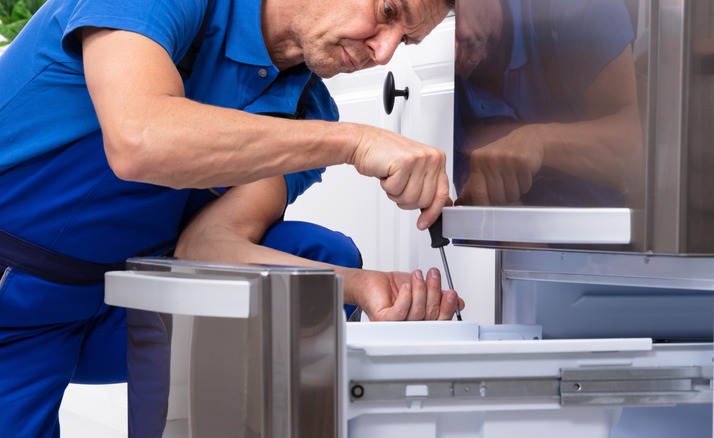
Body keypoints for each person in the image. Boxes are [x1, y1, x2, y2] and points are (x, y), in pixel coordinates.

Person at [0, 0, 460, 435]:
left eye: (404, 41)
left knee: (318, 274)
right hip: (13, 305)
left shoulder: (305, 110)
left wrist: (363, 287)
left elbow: (207, 246)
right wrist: (353, 142)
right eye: (387, 11)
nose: (383, 53)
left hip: (119, 300)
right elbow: (139, 139)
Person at [453, 0, 643, 208]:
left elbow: (634, 153)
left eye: (450, 7)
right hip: (505, 235)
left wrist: (539, 141)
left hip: (601, 231)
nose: (451, 52)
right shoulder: (435, 76)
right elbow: (485, 199)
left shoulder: (579, 7)